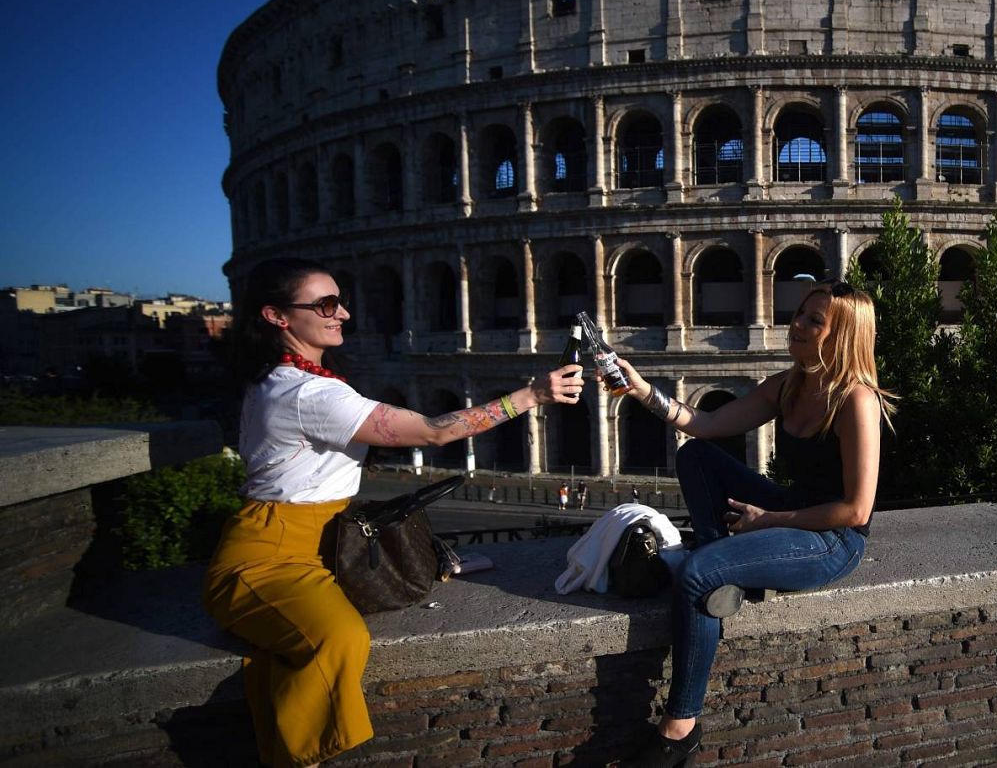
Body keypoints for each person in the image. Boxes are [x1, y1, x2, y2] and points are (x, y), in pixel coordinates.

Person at [203, 257, 583, 768]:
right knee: (339, 638)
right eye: (325, 304)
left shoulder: (281, 378)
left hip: (315, 545)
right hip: (267, 558)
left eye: (339, 301)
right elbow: (433, 431)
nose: (343, 312)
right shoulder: (307, 393)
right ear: (277, 317)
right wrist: (533, 394)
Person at [610, 281, 894, 768]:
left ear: (842, 335)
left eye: (813, 320)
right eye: (800, 313)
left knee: (698, 573)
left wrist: (770, 521)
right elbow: (703, 425)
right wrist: (641, 390)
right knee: (697, 456)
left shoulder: (856, 400)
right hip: (790, 509)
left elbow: (856, 511)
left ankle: (680, 731)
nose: (797, 324)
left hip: (830, 539)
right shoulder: (789, 384)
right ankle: (726, 573)